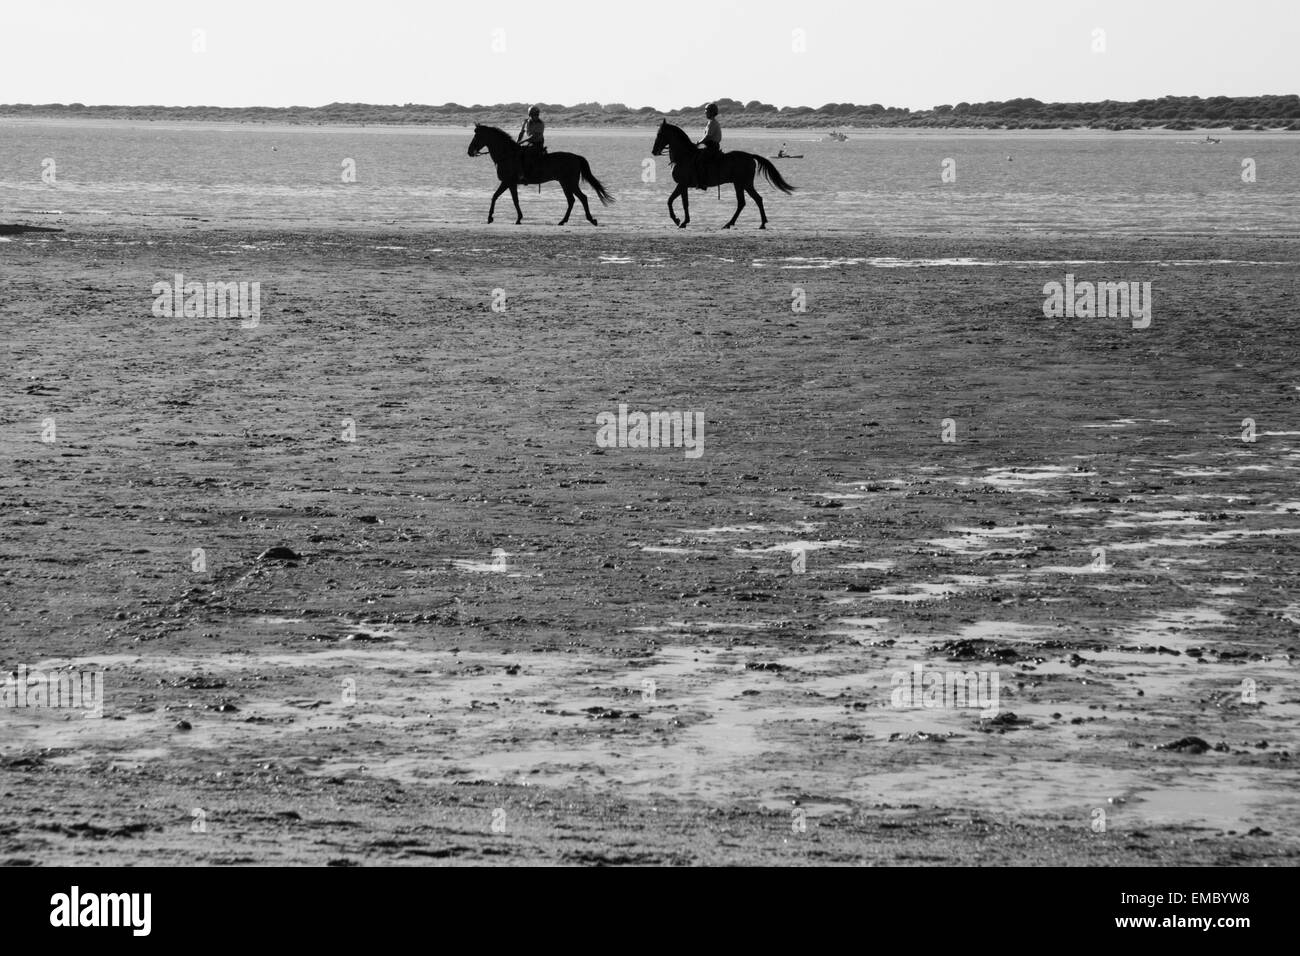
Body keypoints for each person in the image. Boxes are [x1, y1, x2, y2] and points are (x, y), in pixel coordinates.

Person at [694, 102, 721, 189]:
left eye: (707, 111)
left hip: (712, 147)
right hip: (709, 146)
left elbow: (708, 136)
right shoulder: (710, 122)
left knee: (699, 160)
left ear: (711, 112)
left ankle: (702, 182)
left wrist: (698, 143)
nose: (705, 113)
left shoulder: (712, 123)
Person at [517, 106, 545, 182]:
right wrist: (517, 142)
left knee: (527, 154)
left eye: (536, 115)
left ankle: (524, 175)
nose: (535, 117)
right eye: (533, 115)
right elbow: (521, 132)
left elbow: (534, 137)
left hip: (538, 143)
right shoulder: (526, 122)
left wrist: (522, 142)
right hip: (529, 143)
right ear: (530, 115)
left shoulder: (540, 124)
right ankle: (518, 172)